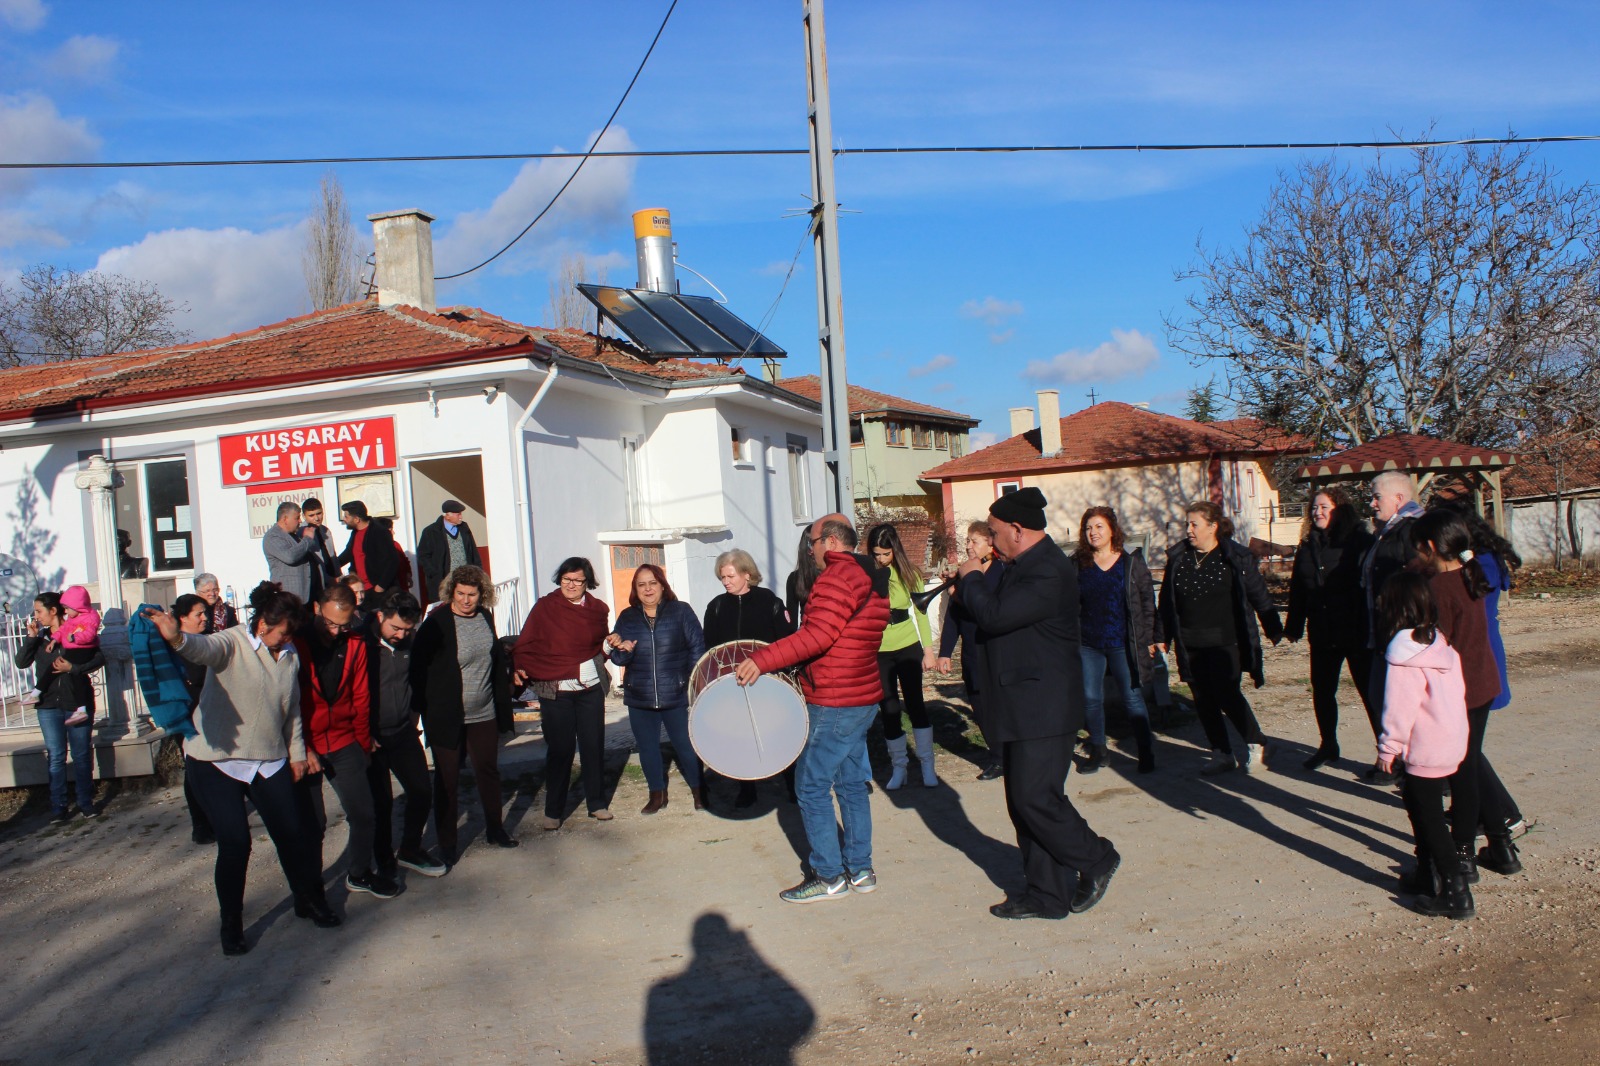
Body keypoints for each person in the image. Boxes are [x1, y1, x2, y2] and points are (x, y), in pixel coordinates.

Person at [142, 583, 337, 957]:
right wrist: (177, 638)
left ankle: (309, 900)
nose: (286, 640)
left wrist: (297, 754)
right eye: (282, 632)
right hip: (216, 759)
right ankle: (231, 924)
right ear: (263, 623)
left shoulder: (289, 654)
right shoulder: (231, 642)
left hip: (268, 758)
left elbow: (292, 709)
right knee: (236, 843)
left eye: (290, 635)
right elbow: (201, 649)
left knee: (294, 833)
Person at [954, 487, 1120, 919]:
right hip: (1018, 701)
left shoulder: (1046, 570)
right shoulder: (1019, 565)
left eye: (992, 533)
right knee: (1023, 803)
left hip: (1044, 705)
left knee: (1036, 799)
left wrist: (971, 577)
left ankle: (1097, 858)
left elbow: (993, 615)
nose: (988, 542)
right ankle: (1047, 894)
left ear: (1016, 529)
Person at [736, 514, 889, 904]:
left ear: (832, 542)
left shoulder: (837, 577)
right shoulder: (873, 575)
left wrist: (764, 660)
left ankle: (828, 875)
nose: (811, 549)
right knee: (853, 784)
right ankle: (861, 869)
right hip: (861, 694)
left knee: (811, 786)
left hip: (835, 699)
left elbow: (817, 635)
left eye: (814, 542)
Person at [1409, 509, 1506, 886]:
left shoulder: (1438, 588)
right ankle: (1501, 846)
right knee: (1472, 763)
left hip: (1460, 692)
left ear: (1431, 547)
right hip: (1482, 683)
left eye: (1418, 548)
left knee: (1464, 770)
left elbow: (1436, 647)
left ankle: (1463, 849)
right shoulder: (1471, 573)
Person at [1158, 500, 1284, 776]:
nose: (1188, 530)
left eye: (1194, 524)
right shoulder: (1179, 557)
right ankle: (1222, 753)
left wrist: (1273, 627)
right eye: (1187, 524)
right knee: (1203, 699)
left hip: (1226, 642)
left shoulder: (1234, 557)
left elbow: (1257, 594)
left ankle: (1257, 743)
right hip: (1190, 641)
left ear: (1213, 526)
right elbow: (1167, 603)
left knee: (1227, 695)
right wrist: (1161, 636)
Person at [1376, 571, 1473, 919]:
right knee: (1420, 806)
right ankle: (1425, 874)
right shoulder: (1438, 642)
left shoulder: (1402, 650)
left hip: (1425, 747)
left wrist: (1389, 747)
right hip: (1451, 740)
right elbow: (1457, 694)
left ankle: (1454, 890)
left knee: (1428, 816)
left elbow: (1400, 706)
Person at [292, 583, 396, 900]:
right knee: (314, 825)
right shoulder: (296, 643)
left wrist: (363, 744)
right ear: (316, 611)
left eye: (344, 624)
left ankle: (359, 872)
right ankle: (310, 893)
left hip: (343, 739)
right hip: (306, 743)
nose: (336, 630)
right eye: (330, 622)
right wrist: (299, 747)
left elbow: (362, 695)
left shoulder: (354, 642)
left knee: (364, 813)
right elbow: (287, 702)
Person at [412, 565, 518, 860]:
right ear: (451, 592)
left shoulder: (485, 617)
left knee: (488, 771)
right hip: (447, 716)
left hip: (483, 712)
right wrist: (418, 712)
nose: (466, 600)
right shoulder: (437, 623)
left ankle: (495, 829)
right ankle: (447, 843)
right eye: (461, 594)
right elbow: (418, 670)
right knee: (447, 779)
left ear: (481, 594)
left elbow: (494, 661)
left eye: (472, 594)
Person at [1451, 507, 1529, 862]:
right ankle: (1486, 813)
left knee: (1468, 747)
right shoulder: (1483, 558)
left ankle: (1507, 815)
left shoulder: (1478, 563)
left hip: (1479, 653)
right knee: (1467, 744)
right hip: (1481, 648)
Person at [513, 558, 612, 829]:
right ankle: (553, 810)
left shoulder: (597, 610)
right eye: (566, 579)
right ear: (560, 580)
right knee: (560, 749)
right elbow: (526, 643)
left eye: (578, 581)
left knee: (593, 746)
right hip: (556, 689)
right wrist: (520, 666)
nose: (571, 585)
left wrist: (611, 646)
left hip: (590, 688)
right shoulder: (545, 608)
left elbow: (600, 645)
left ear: (587, 583)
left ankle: (597, 803)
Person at [1285, 487, 1378, 770]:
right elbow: (1298, 589)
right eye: (1314, 508)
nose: (1318, 512)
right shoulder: (1308, 545)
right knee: (1322, 691)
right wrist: (1293, 626)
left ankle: (1389, 753)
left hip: (1355, 631)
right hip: (1322, 632)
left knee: (1370, 693)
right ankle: (1328, 745)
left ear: (1340, 509)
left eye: (1324, 507)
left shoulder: (1358, 541)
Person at [608, 564, 708, 814]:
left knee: (685, 744)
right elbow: (619, 660)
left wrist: (688, 683)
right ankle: (657, 794)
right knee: (648, 748)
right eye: (641, 585)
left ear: (662, 585)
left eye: (652, 583)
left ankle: (699, 791)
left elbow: (697, 648)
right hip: (639, 695)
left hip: (676, 693)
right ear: (635, 590)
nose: (647, 589)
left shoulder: (681, 611)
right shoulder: (627, 617)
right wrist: (621, 650)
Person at [362, 591, 447, 878]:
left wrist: (414, 715)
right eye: (395, 628)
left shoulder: (412, 642)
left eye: (407, 629)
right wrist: (363, 731)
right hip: (371, 736)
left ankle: (410, 849)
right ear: (380, 617)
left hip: (402, 730)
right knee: (381, 802)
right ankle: (384, 859)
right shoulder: (363, 644)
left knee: (422, 790)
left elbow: (418, 681)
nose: (400, 634)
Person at [1072, 507, 1163, 775]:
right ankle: (1099, 751)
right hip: (1089, 643)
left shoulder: (1130, 563)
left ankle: (1145, 752)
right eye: (1089, 527)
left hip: (1123, 642)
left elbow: (1147, 602)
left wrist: (1148, 638)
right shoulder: (1078, 564)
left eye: (1099, 526)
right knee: (1090, 698)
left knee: (1132, 698)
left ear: (1112, 529)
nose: (1094, 532)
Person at [1360, 471, 1426, 785]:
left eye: (1377, 497)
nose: (1372, 503)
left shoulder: (1412, 531)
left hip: (1405, 637)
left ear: (1398, 499)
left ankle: (1423, 773)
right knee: (1379, 699)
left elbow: (1421, 583)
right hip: (1382, 634)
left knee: (1403, 707)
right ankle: (1397, 765)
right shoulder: (1386, 531)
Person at [16, 592, 102, 822]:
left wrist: (73, 669)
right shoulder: (41, 637)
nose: (35, 616)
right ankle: (59, 807)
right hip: (48, 706)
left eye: (38, 611)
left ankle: (86, 803)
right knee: (56, 756)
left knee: (82, 754)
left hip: (77, 702)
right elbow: (21, 662)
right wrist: (32, 639)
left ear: (53, 611)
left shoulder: (78, 629)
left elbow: (99, 657)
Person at [867, 523, 938, 789]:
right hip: (879, 649)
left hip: (907, 644)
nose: (881, 559)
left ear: (895, 550)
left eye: (886, 554)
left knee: (916, 704)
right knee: (889, 708)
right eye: (876, 554)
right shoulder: (868, 573)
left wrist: (928, 651)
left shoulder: (909, 573)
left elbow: (920, 613)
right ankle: (899, 767)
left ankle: (927, 765)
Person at [937, 521, 1006, 780]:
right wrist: (945, 652)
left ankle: (1009, 755)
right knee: (980, 706)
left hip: (996, 652)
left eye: (974, 541)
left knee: (1000, 707)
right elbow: (954, 618)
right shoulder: (965, 576)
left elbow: (990, 610)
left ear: (990, 543)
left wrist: (958, 593)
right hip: (972, 653)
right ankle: (997, 756)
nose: (968, 546)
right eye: (967, 540)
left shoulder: (1001, 573)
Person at [172, 594, 216, 843]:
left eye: (205, 613)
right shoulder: (174, 648)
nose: (204, 618)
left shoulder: (210, 639)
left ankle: (218, 816)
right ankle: (200, 823)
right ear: (182, 618)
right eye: (198, 614)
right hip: (188, 713)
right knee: (194, 770)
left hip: (212, 710)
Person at [702, 548, 794, 646]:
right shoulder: (716, 607)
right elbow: (709, 646)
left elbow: (786, 640)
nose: (726, 582)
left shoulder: (769, 601)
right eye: (723, 577)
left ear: (747, 575)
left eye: (731, 576)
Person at [336, 500, 402, 605]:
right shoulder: (355, 533)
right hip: (361, 589)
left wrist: (380, 586)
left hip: (377, 590)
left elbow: (392, 561)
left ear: (357, 519)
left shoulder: (380, 532)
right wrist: (331, 566)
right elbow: (349, 554)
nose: (344, 520)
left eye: (346, 517)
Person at [417, 499, 483, 596]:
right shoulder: (431, 531)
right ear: (448, 515)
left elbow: (473, 552)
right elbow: (423, 555)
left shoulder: (464, 529)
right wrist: (433, 572)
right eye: (458, 514)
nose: (461, 517)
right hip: (443, 582)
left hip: (466, 580)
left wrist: (478, 572)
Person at [262, 501, 317, 601]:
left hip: (306, 595)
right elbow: (290, 556)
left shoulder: (295, 535)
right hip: (289, 599)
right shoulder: (273, 537)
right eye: (296, 518)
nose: (300, 521)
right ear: (285, 519)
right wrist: (307, 539)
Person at [299, 499, 341, 600]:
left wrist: (338, 573)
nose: (317, 518)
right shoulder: (301, 532)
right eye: (311, 515)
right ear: (304, 516)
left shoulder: (325, 530)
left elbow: (332, 555)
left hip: (332, 579)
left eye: (319, 513)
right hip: (316, 581)